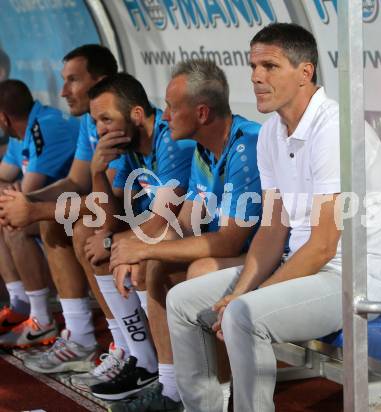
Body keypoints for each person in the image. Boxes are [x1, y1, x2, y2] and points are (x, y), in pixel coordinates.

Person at [165, 23, 381, 412]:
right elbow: (273, 230)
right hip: (307, 269)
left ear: (305, 72)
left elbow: (323, 246)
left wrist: (249, 296)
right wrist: (240, 290)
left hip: (350, 280)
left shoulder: (333, 129)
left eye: (270, 66)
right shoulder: (273, 132)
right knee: (183, 302)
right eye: (253, 66)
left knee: (242, 315)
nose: (256, 76)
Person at [108, 59, 261, 412]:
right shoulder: (205, 149)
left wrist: (142, 249)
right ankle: (172, 389)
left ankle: (222, 400)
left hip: (266, 259)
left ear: (202, 113)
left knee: (200, 272)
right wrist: (141, 248)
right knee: (160, 266)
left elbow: (229, 242)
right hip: (236, 254)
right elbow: (188, 222)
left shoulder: (245, 146)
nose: (163, 116)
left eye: (172, 108)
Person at [0, 45, 123, 374]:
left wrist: (37, 208)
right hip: (117, 212)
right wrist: (31, 201)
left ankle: (127, 347)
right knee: (50, 216)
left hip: (141, 217)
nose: (64, 91)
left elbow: (113, 200)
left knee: (69, 222)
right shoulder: (88, 122)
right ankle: (79, 336)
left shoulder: (118, 121)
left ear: (102, 81)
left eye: (72, 80)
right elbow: (74, 181)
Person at [71, 72, 195, 400]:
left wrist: (118, 242)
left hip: (195, 235)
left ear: (136, 115)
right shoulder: (130, 149)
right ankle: (139, 356)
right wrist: (97, 171)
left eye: (106, 119)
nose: (99, 130)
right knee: (89, 236)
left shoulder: (172, 140)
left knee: (139, 253)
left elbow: (165, 217)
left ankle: (166, 380)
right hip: (169, 230)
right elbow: (108, 218)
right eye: (96, 121)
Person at [0, 79, 79, 347]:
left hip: (83, 210)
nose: (64, 90)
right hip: (60, 205)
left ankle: (42, 319)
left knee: (14, 221)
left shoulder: (47, 126)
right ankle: (20, 305)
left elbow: (28, 191)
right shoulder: (21, 130)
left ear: (3, 117)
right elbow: (5, 176)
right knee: (6, 210)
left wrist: (13, 194)